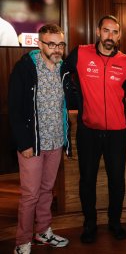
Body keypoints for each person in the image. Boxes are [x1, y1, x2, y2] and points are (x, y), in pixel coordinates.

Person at [62, 15, 126, 243]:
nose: (109, 36)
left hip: (116, 132)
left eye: (114, 32)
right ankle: (89, 224)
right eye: (106, 30)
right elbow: (61, 72)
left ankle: (114, 223)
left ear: (119, 35)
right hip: (88, 131)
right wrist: (74, 98)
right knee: (88, 180)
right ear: (98, 31)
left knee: (116, 181)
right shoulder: (81, 53)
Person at [8, 24, 71, 254]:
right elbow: (13, 109)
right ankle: (22, 241)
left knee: (47, 190)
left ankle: (43, 230)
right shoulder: (25, 68)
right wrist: (23, 143)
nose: (57, 49)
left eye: (60, 44)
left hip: (55, 140)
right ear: (40, 44)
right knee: (30, 195)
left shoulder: (63, 68)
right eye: (51, 44)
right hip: (32, 144)